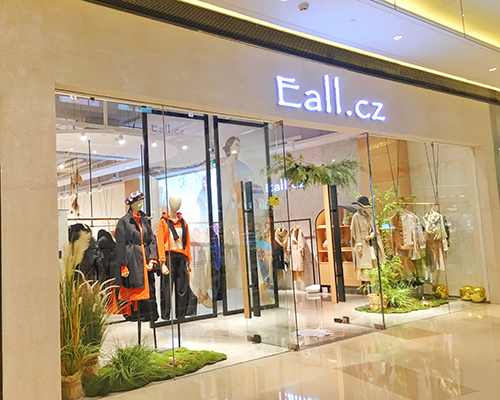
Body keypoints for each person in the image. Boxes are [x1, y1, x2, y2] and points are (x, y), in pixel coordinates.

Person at [115, 191, 159, 321]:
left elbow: (151, 239)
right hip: (132, 259)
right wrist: (123, 265)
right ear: (131, 204)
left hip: (145, 258)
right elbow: (120, 244)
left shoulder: (144, 221)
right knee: (135, 288)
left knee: (148, 287)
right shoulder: (124, 222)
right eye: (138, 202)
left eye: (142, 202)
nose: (140, 204)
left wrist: (152, 259)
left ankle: (148, 315)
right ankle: (136, 314)